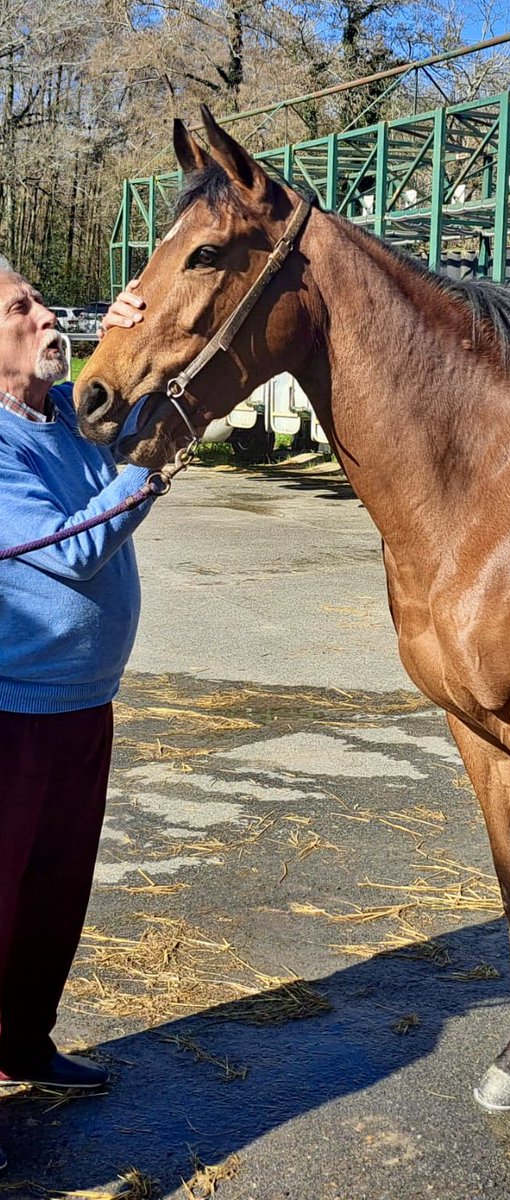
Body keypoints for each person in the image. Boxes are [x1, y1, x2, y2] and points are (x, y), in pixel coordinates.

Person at [0, 272, 148, 1173]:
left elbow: (123, 427)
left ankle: (24, 1044)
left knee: (55, 895)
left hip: (83, 707)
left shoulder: (60, 420)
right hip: (11, 716)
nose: (47, 316)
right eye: (21, 309)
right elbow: (80, 546)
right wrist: (150, 467)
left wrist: (130, 331)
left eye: (43, 302)